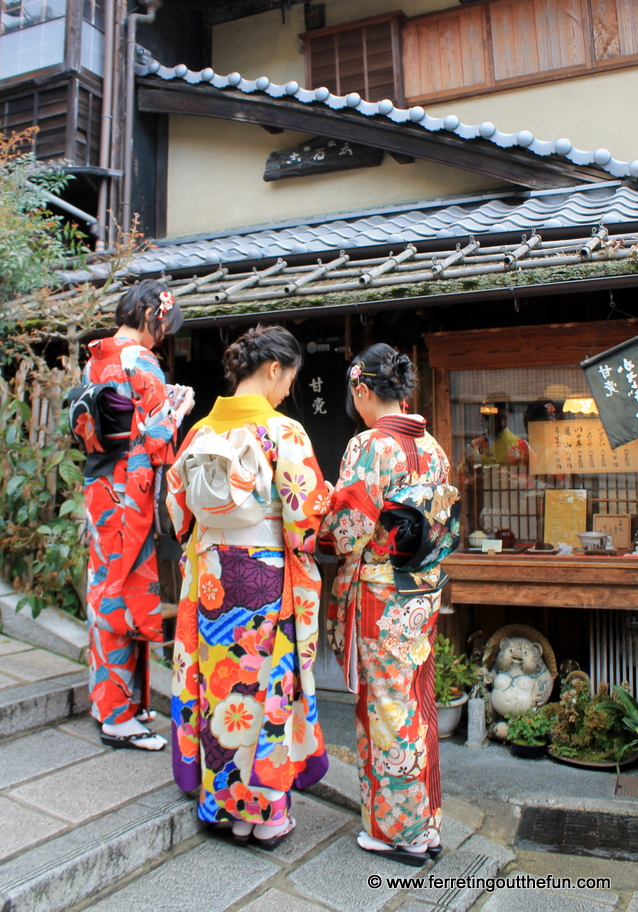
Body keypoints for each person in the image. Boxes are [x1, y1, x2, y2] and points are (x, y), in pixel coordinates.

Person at [166, 325, 329, 849]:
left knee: (221, 689)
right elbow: (305, 520)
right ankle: (266, 815)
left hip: (211, 578)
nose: (288, 392)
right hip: (264, 578)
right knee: (265, 691)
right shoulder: (285, 433)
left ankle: (226, 808)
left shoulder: (199, 432)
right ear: (275, 369)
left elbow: (177, 513)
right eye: (289, 380)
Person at [320, 343, 458, 867]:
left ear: (361, 388)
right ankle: (425, 824)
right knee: (415, 702)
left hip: (381, 593)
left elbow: (351, 529)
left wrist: (327, 512)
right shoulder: (434, 447)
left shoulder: (370, 445)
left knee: (386, 709)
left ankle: (397, 832)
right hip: (420, 590)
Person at [81, 281, 194, 750]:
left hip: (100, 485)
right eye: (165, 323)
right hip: (128, 490)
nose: (165, 333)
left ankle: (119, 701)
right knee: (122, 591)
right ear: (151, 313)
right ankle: (117, 717)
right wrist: (178, 409)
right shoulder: (141, 361)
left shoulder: (98, 356)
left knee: (106, 583)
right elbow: (153, 442)